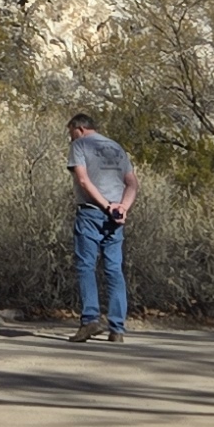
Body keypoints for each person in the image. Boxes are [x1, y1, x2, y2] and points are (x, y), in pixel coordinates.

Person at [66, 112, 133, 344]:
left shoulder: (80, 145)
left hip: (91, 212)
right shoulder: (116, 147)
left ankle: (90, 320)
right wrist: (122, 207)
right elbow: (132, 183)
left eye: (71, 133)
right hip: (116, 218)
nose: (70, 138)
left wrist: (105, 206)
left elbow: (83, 180)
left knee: (86, 265)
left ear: (80, 129)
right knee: (114, 269)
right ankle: (117, 328)